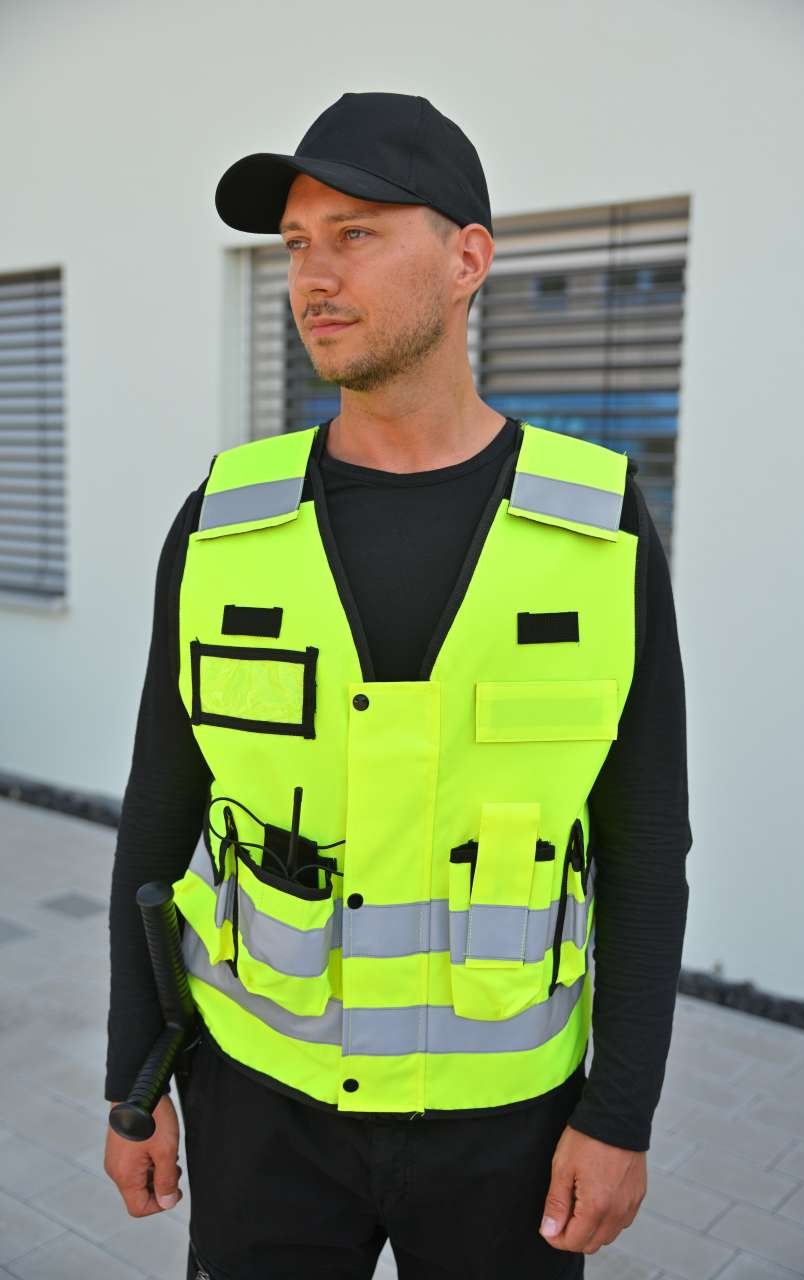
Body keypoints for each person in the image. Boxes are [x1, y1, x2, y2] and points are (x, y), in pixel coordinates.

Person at [103, 91, 692, 1279]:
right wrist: (135, 1082)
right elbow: (159, 812)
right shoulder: (223, 520)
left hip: (508, 1125)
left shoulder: (596, 526)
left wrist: (620, 1112)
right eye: (296, 243)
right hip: (259, 1106)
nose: (313, 276)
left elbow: (642, 841)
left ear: (468, 258)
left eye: (357, 233)